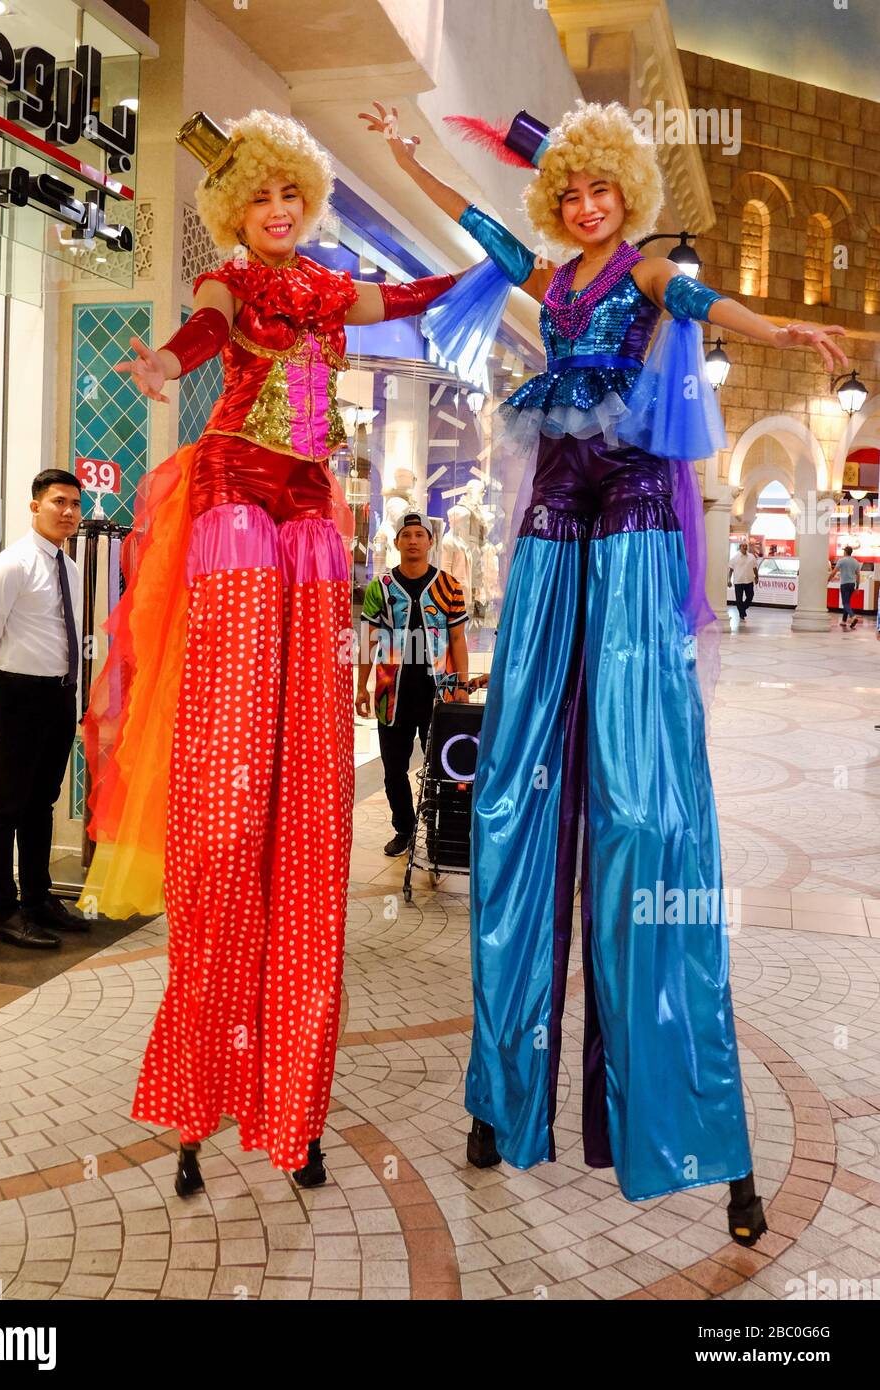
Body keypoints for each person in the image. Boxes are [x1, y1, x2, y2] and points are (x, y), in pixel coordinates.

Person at [363, 97, 849, 1245]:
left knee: (640, 808)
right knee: (519, 796)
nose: (586, 205)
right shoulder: (553, 272)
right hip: (549, 532)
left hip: (629, 527)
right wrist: (404, 160)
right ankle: (504, 1094)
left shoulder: (641, 272)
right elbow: (480, 225)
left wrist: (780, 335)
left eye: (600, 190)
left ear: (626, 193)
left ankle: (692, 1127)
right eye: (570, 192)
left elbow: (703, 302)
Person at [80, 109, 457, 1196]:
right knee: (225, 816)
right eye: (260, 198)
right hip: (238, 511)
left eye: (292, 196)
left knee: (306, 820)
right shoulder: (237, 286)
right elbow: (201, 324)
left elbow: (414, 300)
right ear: (237, 208)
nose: (280, 212)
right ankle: (198, 1100)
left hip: (309, 532)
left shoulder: (332, 290)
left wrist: (488, 257)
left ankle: (291, 1107)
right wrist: (162, 359)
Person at [0, 470, 88, 949]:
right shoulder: (12, 565)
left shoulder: (70, 567)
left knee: (42, 803)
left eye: (75, 504)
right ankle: (4, 910)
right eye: (59, 502)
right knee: (7, 807)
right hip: (17, 693)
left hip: (59, 694)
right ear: (35, 506)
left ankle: (38, 899)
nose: (69, 512)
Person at [357, 511, 470, 856]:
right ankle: (404, 828)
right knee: (394, 769)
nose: (413, 541)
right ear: (397, 543)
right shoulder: (381, 588)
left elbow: (458, 640)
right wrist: (362, 686)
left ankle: (437, 835)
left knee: (441, 768)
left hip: (438, 691)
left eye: (420, 535)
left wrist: (461, 684)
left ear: (430, 542)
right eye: (407, 536)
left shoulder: (450, 586)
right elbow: (368, 640)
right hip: (392, 694)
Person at [829, 545, 861, 629]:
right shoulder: (856, 562)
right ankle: (843, 621)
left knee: (845, 603)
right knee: (847, 602)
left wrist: (828, 579)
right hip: (852, 584)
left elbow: (834, 572)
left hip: (844, 585)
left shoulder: (841, 560)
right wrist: (857, 587)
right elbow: (858, 575)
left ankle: (853, 616)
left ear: (845, 552)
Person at [729, 541, 760, 622]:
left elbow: (754, 568)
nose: (745, 548)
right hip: (738, 581)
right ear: (740, 547)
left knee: (750, 596)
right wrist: (728, 580)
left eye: (746, 546)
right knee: (738, 600)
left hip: (749, 581)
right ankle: (742, 614)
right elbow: (731, 570)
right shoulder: (735, 558)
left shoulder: (751, 557)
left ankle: (742, 609)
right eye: (743, 546)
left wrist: (757, 577)